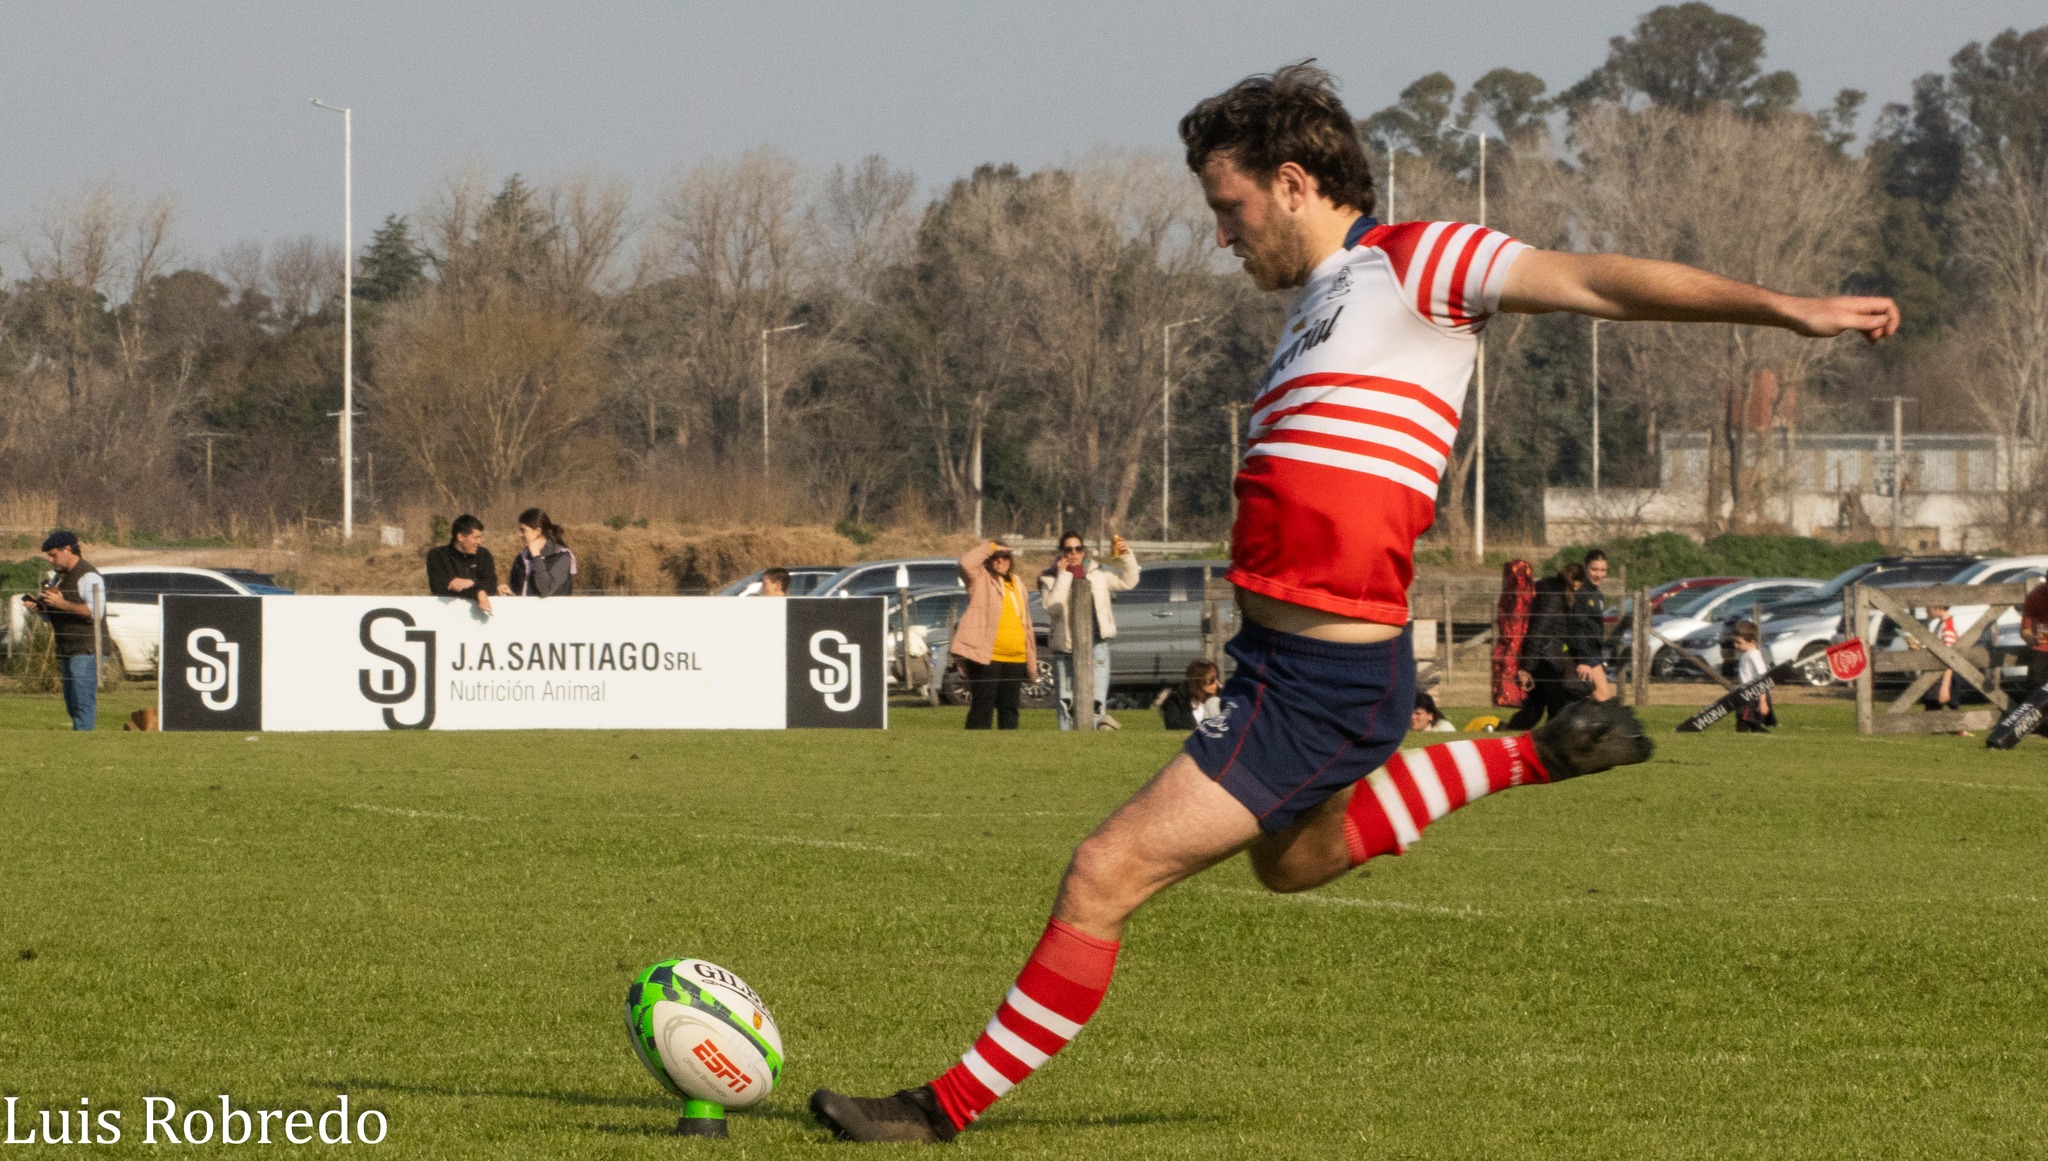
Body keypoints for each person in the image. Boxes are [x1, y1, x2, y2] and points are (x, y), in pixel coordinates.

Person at [809, 63, 1897, 1143]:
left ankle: (936, 1110)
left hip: (1317, 682)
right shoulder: (1317, 310)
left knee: (1104, 871)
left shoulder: (1416, 260)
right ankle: (1529, 755)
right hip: (1287, 671)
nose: (1221, 237)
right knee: (1289, 864)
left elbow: (1598, 282)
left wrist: (1781, 311)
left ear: (1291, 181)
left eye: (1227, 210)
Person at [1040, 532, 1140, 730]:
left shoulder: (1098, 573)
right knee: (1065, 701)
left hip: (1097, 643)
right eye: (1068, 549)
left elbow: (1128, 582)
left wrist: (1126, 556)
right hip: (1066, 646)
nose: (1074, 553)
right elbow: (1053, 607)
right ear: (1062, 552)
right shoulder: (1049, 577)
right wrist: (1064, 575)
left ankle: (1095, 740)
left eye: (1078, 549)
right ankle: (1067, 742)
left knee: (1097, 698)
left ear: (1084, 551)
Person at [20, 531, 105, 731]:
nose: (50, 560)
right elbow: (54, 611)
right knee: (71, 702)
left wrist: (62, 603)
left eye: (53, 555)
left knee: (82, 702)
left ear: (67, 550)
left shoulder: (89, 575)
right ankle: (78, 742)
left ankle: (83, 744)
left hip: (86, 648)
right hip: (66, 647)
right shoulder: (58, 578)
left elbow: (95, 613)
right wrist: (40, 609)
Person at [952, 541, 1036, 730]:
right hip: (986, 656)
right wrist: (991, 546)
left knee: (1010, 708)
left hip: (1016, 656)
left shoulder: (1018, 583)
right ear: (989, 559)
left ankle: (1008, 750)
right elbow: (966, 564)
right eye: (995, 557)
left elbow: (1026, 622)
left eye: (1005, 556)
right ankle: (976, 749)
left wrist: (1030, 656)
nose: (1000, 561)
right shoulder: (979, 579)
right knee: (983, 706)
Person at [1507, 562, 1598, 729]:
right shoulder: (1554, 597)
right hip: (1546, 660)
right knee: (1555, 710)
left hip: (1546, 657)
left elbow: (1572, 633)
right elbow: (1537, 632)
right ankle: (1545, 743)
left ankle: (1506, 732)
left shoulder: (1553, 590)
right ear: (1576, 582)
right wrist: (1527, 668)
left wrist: (1581, 658)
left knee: (1534, 711)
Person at [425, 514, 496, 615]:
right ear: (461, 537)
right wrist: (478, 592)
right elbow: (439, 587)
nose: (479, 542)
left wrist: (472, 583)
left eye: (480, 537)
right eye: (476, 538)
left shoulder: (484, 554)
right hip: (446, 615)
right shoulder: (437, 555)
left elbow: (491, 585)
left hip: (478, 617)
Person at [502, 508, 576, 597]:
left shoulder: (562, 557)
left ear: (538, 531)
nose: (520, 534)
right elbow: (523, 596)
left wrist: (536, 557)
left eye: (523, 530)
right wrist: (510, 595)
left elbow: (546, 590)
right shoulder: (520, 559)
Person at [1731, 620, 1776, 733]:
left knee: (1743, 723)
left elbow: (1762, 678)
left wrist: (1762, 701)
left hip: (1754, 697)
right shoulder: (1747, 655)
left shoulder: (1754, 656)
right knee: (1750, 724)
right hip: (1746, 695)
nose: (1735, 645)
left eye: (1739, 642)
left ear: (1751, 642)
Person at [1156, 660, 1222, 730]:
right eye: (1212, 680)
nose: (1217, 683)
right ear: (1198, 681)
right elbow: (1172, 724)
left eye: (1216, 678)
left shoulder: (1222, 698)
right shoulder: (1177, 699)